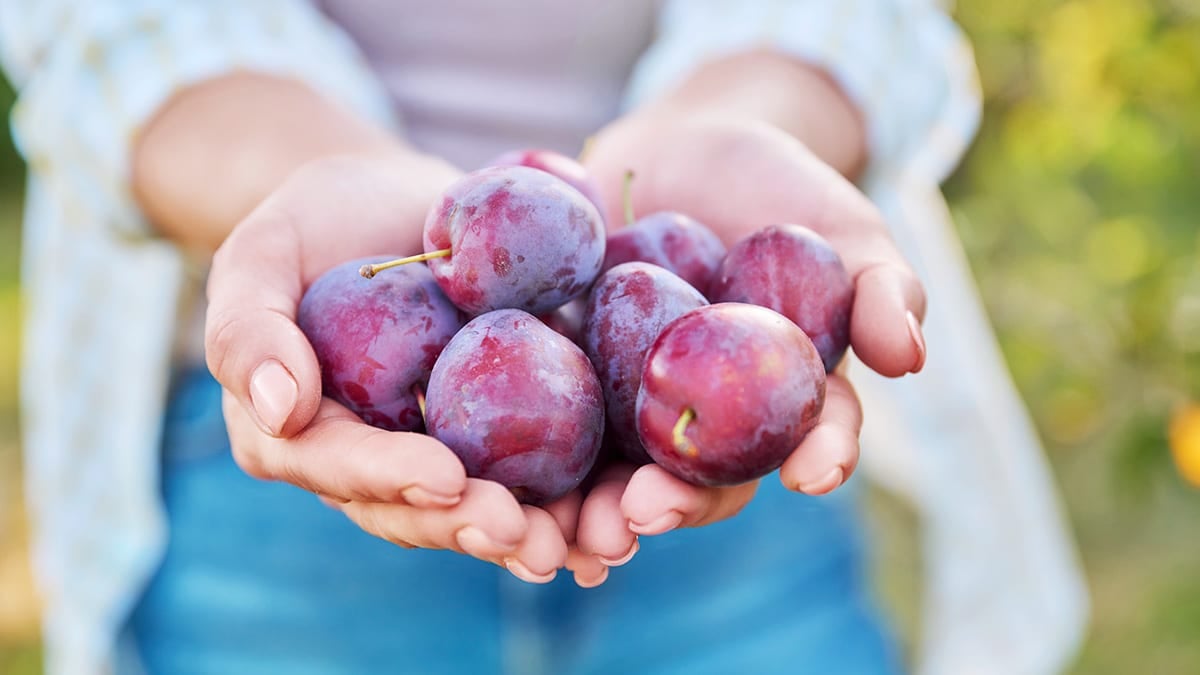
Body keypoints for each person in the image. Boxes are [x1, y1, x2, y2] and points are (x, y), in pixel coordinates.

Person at [1, 1, 1088, 673]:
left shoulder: (664, 296)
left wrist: (759, 111)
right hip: (267, 519)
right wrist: (276, 171)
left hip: (736, 533)